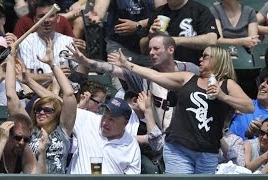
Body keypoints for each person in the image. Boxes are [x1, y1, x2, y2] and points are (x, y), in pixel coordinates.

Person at [109, 45, 254, 173]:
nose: (200, 59)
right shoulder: (188, 78)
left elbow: (249, 107)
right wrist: (127, 65)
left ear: (217, 60)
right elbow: (155, 75)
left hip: (208, 152)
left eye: (205, 56)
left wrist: (223, 96)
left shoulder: (227, 84)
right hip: (179, 148)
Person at [65, 32, 199, 133]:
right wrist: (86, 61)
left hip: (191, 135)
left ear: (170, 50)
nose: (151, 53)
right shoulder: (144, 75)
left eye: (156, 49)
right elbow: (111, 70)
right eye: (150, 49)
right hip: (163, 138)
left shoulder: (191, 70)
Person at [6, 37, 77, 174]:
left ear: (56, 112)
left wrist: (52, 64)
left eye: (47, 110)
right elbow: (11, 95)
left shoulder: (63, 130)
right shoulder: (29, 132)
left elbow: (69, 94)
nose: (41, 112)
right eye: (38, 109)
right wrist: (11, 57)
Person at [68, 97, 141, 174]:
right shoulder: (88, 120)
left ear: (125, 123)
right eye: (104, 116)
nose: (104, 123)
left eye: (111, 120)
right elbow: (59, 107)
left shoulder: (131, 146)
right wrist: (78, 105)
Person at [18, 0, 79, 84]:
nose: (46, 20)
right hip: (38, 93)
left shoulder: (68, 41)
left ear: (57, 18)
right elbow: (26, 77)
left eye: (50, 16)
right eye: (41, 16)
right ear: (35, 20)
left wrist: (82, 58)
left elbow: (80, 75)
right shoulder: (26, 42)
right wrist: (54, 74)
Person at [141, 0, 219, 65]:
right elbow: (143, 49)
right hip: (164, 70)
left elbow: (211, 40)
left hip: (195, 69)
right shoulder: (158, 13)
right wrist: (150, 37)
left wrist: (173, 41)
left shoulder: (200, 10)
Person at [229, 68, 268, 140]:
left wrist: (250, 134)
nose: (262, 85)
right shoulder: (245, 104)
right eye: (262, 81)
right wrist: (231, 110)